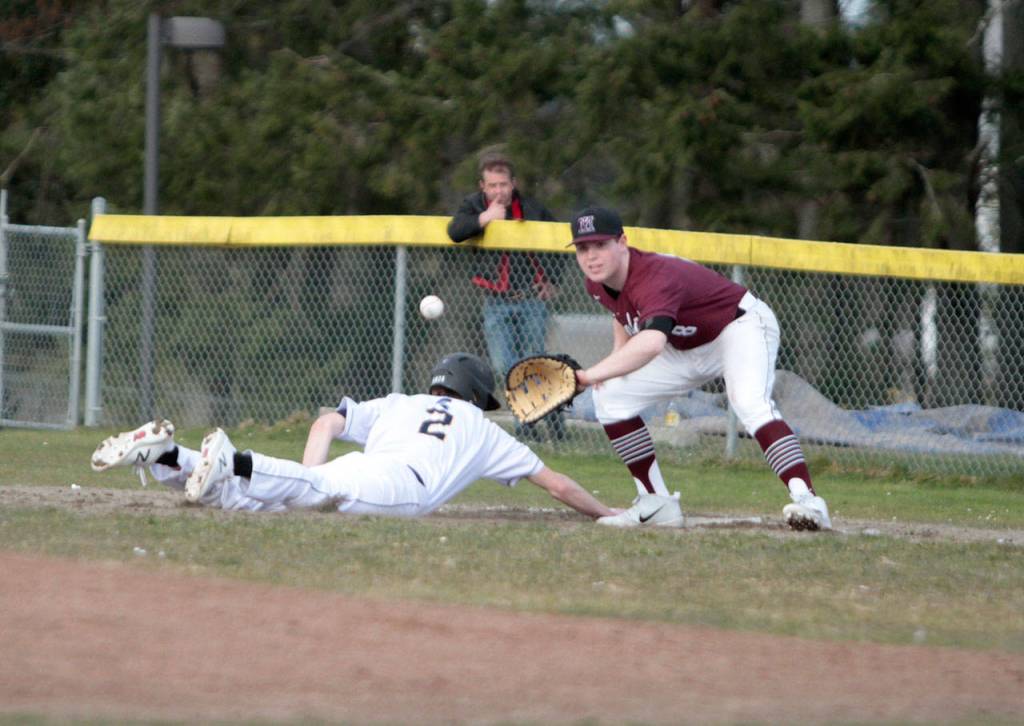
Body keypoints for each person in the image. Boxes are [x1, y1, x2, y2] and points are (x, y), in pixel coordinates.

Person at [89, 352, 669, 523]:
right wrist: (608, 511)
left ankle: (170, 456)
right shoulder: (481, 427)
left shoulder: (401, 401)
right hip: (401, 488)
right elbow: (559, 484)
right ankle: (230, 459)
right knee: (288, 489)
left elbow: (326, 421)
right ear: (473, 395)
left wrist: (310, 471)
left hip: (367, 469)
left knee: (273, 498)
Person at [566, 206, 832, 531]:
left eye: (600, 245)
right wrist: (614, 362)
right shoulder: (596, 283)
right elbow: (621, 314)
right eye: (582, 248)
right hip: (684, 345)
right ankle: (655, 502)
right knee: (611, 396)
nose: (591, 256)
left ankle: (809, 501)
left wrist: (590, 374)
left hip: (738, 327)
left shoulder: (653, 275)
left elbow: (650, 343)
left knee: (750, 404)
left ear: (622, 242)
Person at [447, 152, 565, 441]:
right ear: (483, 187)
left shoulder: (533, 209)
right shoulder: (474, 206)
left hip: (531, 300)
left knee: (532, 361)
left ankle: (528, 425)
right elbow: (455, 232)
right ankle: (542, 412)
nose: (499, 191)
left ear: (513, 183)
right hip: (496, 302)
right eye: (492, 186)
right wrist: (485, 218)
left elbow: (560, 243)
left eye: (503, 184)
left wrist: (553, 282)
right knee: (504, 365)